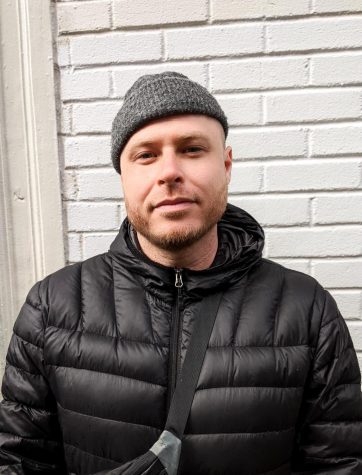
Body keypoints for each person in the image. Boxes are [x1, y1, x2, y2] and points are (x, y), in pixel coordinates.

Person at [0, 71, 361, 475]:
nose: (169, 171)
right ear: (123, 176)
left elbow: (339, 464)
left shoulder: (305, 309)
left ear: (226, 165)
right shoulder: (52, 308)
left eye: (191, 149)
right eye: (146, 155)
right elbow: (19, 463)